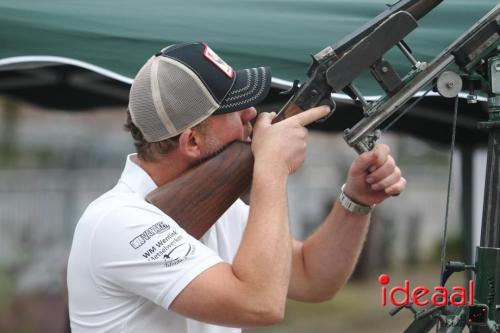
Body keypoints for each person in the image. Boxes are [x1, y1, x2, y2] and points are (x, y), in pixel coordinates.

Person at [67, 42, 406, 332]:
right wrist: (272, 168)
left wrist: (356, 201)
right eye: (233, 108)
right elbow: (260, 303)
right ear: (193, 141)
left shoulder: (213, 205)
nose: (252, 114)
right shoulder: (116, 221)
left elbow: (311, 276)